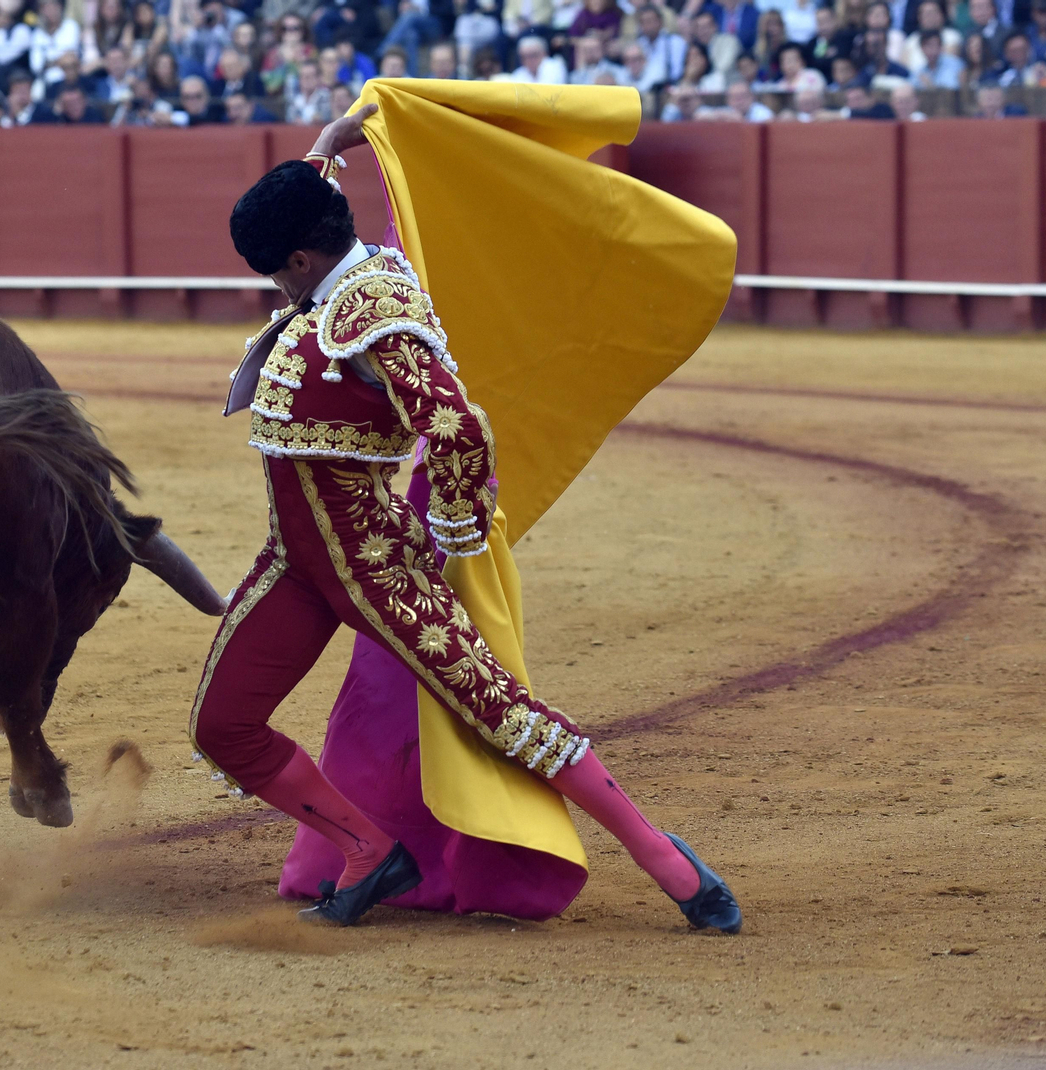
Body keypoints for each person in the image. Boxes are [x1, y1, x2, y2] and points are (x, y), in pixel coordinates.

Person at [199, 104, 742, 933]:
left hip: (380, 568)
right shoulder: (338, 266)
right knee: (223, 723)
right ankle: (367, 853)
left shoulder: (373, 314)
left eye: (279, 272)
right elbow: (307, 204)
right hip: (298, 566)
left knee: (503, 717)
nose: (279, 289)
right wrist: (327, 147)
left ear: (304, 258)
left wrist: (453, 539)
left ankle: (669, 862)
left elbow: (455, 423)